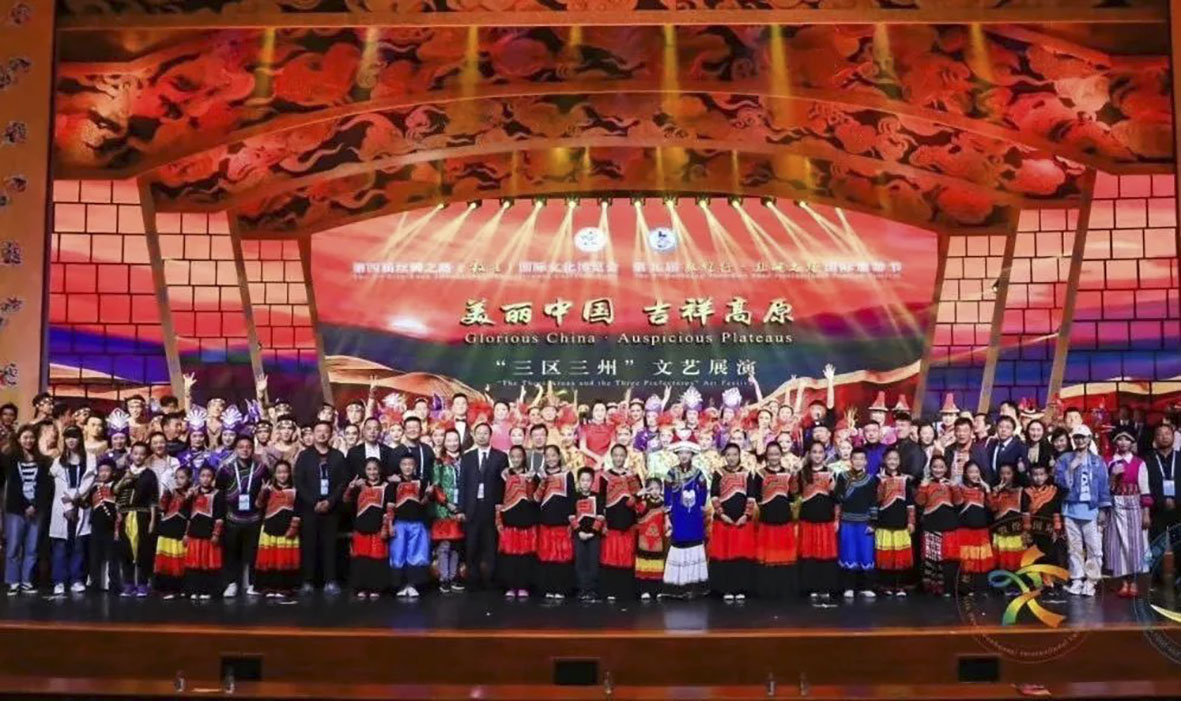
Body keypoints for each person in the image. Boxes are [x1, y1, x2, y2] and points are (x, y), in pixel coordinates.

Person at [1054, 425, 1110, 597]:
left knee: (1094, 548)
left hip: (1091, 509)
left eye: (1083, 437)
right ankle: (1077, 579)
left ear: (1089, 439)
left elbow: (1104, 486)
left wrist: (1103, 509)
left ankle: (1091, 580)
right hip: (1070, 508)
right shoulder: (1064, 459)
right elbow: (1059, 481)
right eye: (1077, 437)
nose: (1080, 440)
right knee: (1074, 547)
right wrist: (1071, 469)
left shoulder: (1098, 461)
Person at [293, 421, 349, 594]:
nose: (322, 434)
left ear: (331, 434)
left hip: (331, 508)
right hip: (309, 508)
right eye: (318, 431)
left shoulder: (338, 456)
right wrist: (313, 502)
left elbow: (342, 482)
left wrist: (330, 502)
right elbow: (299, 482)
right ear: (313, 433)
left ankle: (330, 581)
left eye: (326, 431)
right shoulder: (304, 456)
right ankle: (308, 581)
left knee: (330, 546)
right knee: (309, 545)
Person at [215, 435, 270, 598]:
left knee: (253, 553)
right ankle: (231, 583)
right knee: (231, 553)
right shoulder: (226, 469)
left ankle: (253, 583)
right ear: (235, 449)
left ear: (253, 449)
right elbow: (220, 494)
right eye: (241, 447)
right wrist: (220, 517)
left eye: (248, 447)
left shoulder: (261, 469)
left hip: (254, 518)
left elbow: (267, 494)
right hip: (232, 518)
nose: (245, 450)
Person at [48, 426, 96, 595]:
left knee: (78, 544)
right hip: (62, 507)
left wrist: (76, 497)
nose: (71, 440)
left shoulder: (89, 458)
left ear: (80, 438)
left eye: (74, 437)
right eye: (68, 437)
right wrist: (68, 505)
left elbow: (89, 481)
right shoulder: (58, 461)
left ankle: (76, 579)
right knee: (60, 545)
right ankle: (59, 581)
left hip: (81, 504)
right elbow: (59, 485)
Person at [459, 423, 506, 589]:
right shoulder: (467, 457)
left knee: (491, 544)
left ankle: (491, 580)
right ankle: (472, 580)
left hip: (492, 507)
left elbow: (503, 485)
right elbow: (463, 484)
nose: (482, 436)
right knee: (472, 545)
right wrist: (461, 509)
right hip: (472, 507)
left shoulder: (500, 457)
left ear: (490, 435)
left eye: (485, 433)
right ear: (473, 435)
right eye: (478, 433)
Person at [5, 425, 51, 594]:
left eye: (31, 437)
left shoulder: (42, 461)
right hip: (16, 509)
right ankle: (13, 581)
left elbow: (45, 487)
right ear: (19, 439)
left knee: (32, 547)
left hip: (36, 509)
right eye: (25, 437)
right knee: (14, 546)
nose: (28, 441)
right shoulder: (11, 460)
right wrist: (25, 505)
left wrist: (34, 505)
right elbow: (13, 487)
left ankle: (26, 581)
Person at [1104, 429, 1149, 597]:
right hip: (1115, 507)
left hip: (1133, 507)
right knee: (1117, 545)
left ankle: (1134, 582)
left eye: (1126, 439)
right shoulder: (1108, 461)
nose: (1123, 443)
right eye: (1120, 439)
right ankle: (1123, 582)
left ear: (1132, 443)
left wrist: (1146, 512)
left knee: (1134, 545)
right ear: (1115, 442)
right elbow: (1105, 488)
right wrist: (1113, 477)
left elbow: (1145, 489)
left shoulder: (1138, 463)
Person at [708, 443, 756, 602]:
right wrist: (722, 514)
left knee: (741, 556)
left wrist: (746, 515)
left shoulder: (746, 473)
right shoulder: (719, 473)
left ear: (739, 455)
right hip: (723, 522)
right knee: (724, 555)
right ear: (724, 456)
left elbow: (751, 496)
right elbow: (714, 495)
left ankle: (741, 588)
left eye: (735, 454)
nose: (731, 458)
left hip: (742, 522)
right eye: (728, 455)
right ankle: (725, 588)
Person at [662, 441, 709, 599]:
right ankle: (677, 586)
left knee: (694, 544)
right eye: (681, 453)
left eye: (687, 453)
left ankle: (693, 586)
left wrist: (700, 505)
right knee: (679, 544)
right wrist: (668, 513)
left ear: (692, 455)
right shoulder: (671, 473)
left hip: (693, 515)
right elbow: (667, 493)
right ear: (677, 454)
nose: (684, 456)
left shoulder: (698, 473)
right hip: (678, 514)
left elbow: (704, 489)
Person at [797, 441, 840, 604]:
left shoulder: (831, 473)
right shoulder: (802, 473)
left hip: (826, 520)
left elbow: (837, 500)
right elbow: (794, 494)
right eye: (814, 452)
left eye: (820, 452)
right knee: (809, 555)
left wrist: (836, 519)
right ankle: (811, 587)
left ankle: (825, 587)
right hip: (807, 519)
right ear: (809, 454)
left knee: (825, 554)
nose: (817, 455)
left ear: (825, 454)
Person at [752, 442, 797, 599]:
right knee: (768, 555)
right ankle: (767, 589)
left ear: (781, 455)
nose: (774, 457)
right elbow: (756, 497)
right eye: (771, 454)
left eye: (776, 454)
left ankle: (784, 588)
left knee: (784, 554)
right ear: (766, 456)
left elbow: (792, 497)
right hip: (767, 519)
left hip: (784, 518)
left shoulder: (788, 474)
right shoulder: (760, 474)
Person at [115, 441, 159, 597]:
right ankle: (128, 584)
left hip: (142, 515)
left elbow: (153, 499)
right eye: (136, 453)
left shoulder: (149, 474)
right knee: (125, 549)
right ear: (131, 455)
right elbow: (115, 493)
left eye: (142, 454)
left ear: (146, 456)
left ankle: (142, 583)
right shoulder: (123, 473)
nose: (138, 457)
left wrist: (152, 520)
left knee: (144, 551)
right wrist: (123, 480)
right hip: (125, 515)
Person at [599, 444, 641, 602]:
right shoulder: (604, 476)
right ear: (611, 457)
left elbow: (640, 495)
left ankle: (625, 591)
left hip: (628, 522)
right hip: (611, 521)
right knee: (611, 556)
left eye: (621, 455)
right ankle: (610, 590)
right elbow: (600, 500)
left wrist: (633, 494)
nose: (618, 458)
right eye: (615, 455)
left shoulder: (632, 475)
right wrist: (602, 522)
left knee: (626, 557)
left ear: (625, 457)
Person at [345, 458, 392, 599]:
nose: (372, 472)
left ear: (380, 470)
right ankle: (361, 587)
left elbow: (389, 509)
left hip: (377, 527)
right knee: (361, 559)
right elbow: (346, 502)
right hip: (361, 527)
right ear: (364, 471)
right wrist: (350, 488)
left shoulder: (386, 487)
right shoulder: (359, 486)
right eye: (369, 469)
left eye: (375, 469)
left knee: (377, 559)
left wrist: (385, 527)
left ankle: (376, 588)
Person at [254, 460, 301, 601]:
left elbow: (298, 511)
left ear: (290, 473)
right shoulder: (268, 490)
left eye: (285, 472)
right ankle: (269, 587)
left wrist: (293, 527)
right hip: (269, 529)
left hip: (287, 530)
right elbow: (258, 505)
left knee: (284, 559)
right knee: (270, 559)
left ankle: (284, 588)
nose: (282, 475)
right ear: (274, 474)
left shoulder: (295, 491)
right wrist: (263, 492)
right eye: (279, 472)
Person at [496, 445, 538, 599]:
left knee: (524, 556)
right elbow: (498, 499)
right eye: (513, 456)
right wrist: (498, 521)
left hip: (526, 520)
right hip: (509, 520)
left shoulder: (531, 475)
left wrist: (530, 482)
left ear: (524, 457)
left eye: (519, 456)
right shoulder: (504, 475)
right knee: (510, 556)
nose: (516, 459)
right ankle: (510, 586)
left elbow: (534, 498)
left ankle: (523, 586)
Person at [836, 447, 878, 600]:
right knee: (849, 553)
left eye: (861, 459)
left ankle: (866, 587)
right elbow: (839, 498)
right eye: (855, 458)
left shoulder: (871, 479)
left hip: (864, 522)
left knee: (866, 554)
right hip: (847, 521)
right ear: (851, 460)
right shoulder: (842, 476)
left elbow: (873, 501)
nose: (858, 462)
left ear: (866, 461)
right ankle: (849, 587)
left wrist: (873, 523)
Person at [536, 445, 576, 599]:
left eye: (554, 455)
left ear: (559, 457)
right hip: (545, 520)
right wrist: (542, 480)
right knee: (547, 556)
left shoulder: (567, 474)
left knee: (561, 557)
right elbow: (536, 498)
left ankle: (561, 589)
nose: (551, 459)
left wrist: (571, 519)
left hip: (562, 521)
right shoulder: (540, 475)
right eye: (548, 456)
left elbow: (572, 497)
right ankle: (548, 587)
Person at [389, 455, 431, 598]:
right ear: (400, 466)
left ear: (415, 466)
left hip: (417, 523)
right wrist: (390, 524)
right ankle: (401, 585)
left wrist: (428, 494)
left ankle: (412, 584)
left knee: (416, 554)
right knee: (398, 554)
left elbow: (424, 503)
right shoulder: (393, 483)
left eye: (410, 464)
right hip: (399, 523)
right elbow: (390, 506)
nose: (407, 467)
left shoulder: (422, 482)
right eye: (404, 464)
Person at [875, 449, 915, 597]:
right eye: (889, 459)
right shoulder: (877, 479)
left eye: (895, 459)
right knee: (886, 556)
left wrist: (911, 521)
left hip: (901, 523)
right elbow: (876, 501)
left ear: (899, 461)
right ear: (884, 460)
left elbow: (910, 503)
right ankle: (885, 585)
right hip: (884, 522)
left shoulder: (905, 480)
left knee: (900, 556)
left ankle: (900, 586)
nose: (892, 462)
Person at [916, 455, 958, 596]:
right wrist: (923, 487)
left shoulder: (950, 484)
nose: (938, 470)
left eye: (941, 467)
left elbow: (959, 502)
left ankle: (945, 587)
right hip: (931, 523)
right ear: (930, 468)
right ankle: (930, 587)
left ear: (946, 469)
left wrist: (954, 487)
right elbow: (920, 502)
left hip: (948, 525)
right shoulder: (926, 484)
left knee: (946, 557)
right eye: (935, 467)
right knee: (931, 556)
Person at [1143, 423, 1179, 584]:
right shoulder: (1147, 459)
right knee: (1156, 543)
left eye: (1167, 434)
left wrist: (1176, 500)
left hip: (1179, 508)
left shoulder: (1180, 457)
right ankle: (1156, 578)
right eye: (1160, 434)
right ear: (1155, 438)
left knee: (1179, 543)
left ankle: (1179, 577)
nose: (1164, 437)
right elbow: (1145, 484)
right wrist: (1161, 500)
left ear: (1173, 437)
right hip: (1156, 508)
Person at [1023, 463, 1065, 598]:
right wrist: (1027, 531)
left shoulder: (1052, 491)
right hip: (1034, 530)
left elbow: (1056, 511)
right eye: (1035, 475)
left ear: (1047, 476)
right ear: (1030, 476)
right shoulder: (1026, 492)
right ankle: (1039, 583)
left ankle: (1051, 582)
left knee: (1050, 555)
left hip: (1048, 529)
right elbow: (1025, 512)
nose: (1038, 478)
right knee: (1035, 556)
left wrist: (1057, 529)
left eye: (1041, 474)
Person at [184, 465, 226, 601]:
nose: (205, 479)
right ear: (198, 477)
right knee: (194, 564)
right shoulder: (193, 493)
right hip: (194, 533)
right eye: (202, 476)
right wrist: (186, 533)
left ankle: (207, 590)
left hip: (209, 534)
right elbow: (187, 515)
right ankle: (194, 590)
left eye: (208, 476)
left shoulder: (218, 494)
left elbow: (220, 517)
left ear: (213, 478)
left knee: (208, 564)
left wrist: (216, 534)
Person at [430, 431, 464, 593]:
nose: (452, 443)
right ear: (444, 442)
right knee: (445, 545)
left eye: (455, 440)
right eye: (449, 440)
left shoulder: (465, 460)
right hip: (444, 509)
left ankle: (454, 576)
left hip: (461, 507)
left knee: (457, 545)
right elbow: (436, 485)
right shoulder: (439, 462)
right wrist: (446, 502)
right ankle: (444, 578)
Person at [955, 462, 993, 595]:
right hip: (965, 530)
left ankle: (981, 587)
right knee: (968, 560)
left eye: (976, 472)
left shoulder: (983, 489)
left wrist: (987, 489)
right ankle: (967, 588)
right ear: (965, 474)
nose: (974, 475)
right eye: (971, 472)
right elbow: (957, 503)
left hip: (981, 530)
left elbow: (992, 507)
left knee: (981, 559)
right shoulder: (960, 488)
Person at [154, 465, 191, 599]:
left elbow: (190, 514)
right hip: (167, 529)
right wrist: (166, 492)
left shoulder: (193, 493)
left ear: (189, 479)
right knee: (167, 561)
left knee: (180, 561)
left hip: (181, 530)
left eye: (182, 478)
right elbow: (161, 507)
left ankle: (180, 589)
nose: (178, 480)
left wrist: (187, 533)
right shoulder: (171, 492)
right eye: (176, 478)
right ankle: (167, 589)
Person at [85, 458, 121, 593]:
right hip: (96, 526)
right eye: (101, 471)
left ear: (113, 472)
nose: (104, 473)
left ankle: (114, 584)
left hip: (111, 527)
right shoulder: (94, 488)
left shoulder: (116, 487)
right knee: (95, 557)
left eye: (107, 470)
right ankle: (94, 583)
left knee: (112, 557)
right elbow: (87, 503)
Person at [571, 466, 604, 602]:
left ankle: (592, 590)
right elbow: (571, 516)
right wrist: (579, 531)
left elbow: (600, 516)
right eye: (582, 480)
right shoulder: (574, 496)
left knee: (593, 562)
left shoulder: (598, 497)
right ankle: (581, 589)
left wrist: (592, 532)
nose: (585, 483)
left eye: (588, 480)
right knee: (580, 562)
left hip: (594, 535)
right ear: (578, 481)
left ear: (592, 481)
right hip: (578, 535)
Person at [634, 476, 667, 601]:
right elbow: (635, 508)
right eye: (651, 488)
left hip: (658, 538)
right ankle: (644, 590)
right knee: (644, 564)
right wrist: (638, 496)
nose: (654, 491)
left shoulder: (664, 504)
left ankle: (657, 590)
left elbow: (667, 519)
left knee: (657, 565)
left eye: (657, 488)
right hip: (644, 538)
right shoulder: (643, 503)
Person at [988, 463, 1024, 573]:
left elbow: (1025, 511)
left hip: (1016, 532)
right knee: (1002, 563)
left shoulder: (1020, 490)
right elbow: (992, 508)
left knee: (1017, 562)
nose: (1005, 476)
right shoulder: (995, 491)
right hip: (1001, 532)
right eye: (1002, 473)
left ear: (1013, 474)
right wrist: (995, 492)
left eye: (1008, 473)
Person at [391, 416, 435, 483]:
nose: (412, 430)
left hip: (426, 488)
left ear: (421, 430)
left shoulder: (427, 449)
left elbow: (433, 472)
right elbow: (391, 475)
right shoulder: (396, 452)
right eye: (409, 427)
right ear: (404, 431)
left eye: (415, 427)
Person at [985, 416, 1026, 485]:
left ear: (1013, 430)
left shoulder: (1020, 446)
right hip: (993, 485)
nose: (1003, 430)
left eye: (1008, 427)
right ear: (996, 428)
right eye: (1000, 427)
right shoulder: (991, 444)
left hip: (1012, 486)